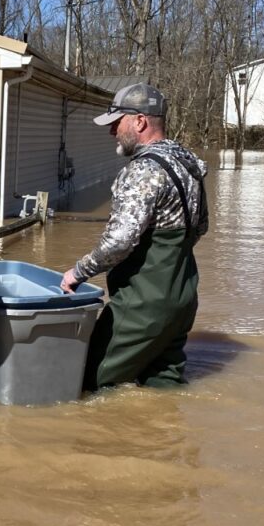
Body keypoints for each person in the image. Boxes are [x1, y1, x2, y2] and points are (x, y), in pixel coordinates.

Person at [60, 83, 208, 391]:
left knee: (86, 382)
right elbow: (200, 227)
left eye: (116, 123)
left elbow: (119, 241)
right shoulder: (188, 166)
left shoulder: (142, 171)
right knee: (164, 388)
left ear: (139, 122)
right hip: (182, 299)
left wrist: (78, 271)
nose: (112, 131)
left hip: (143, 304)